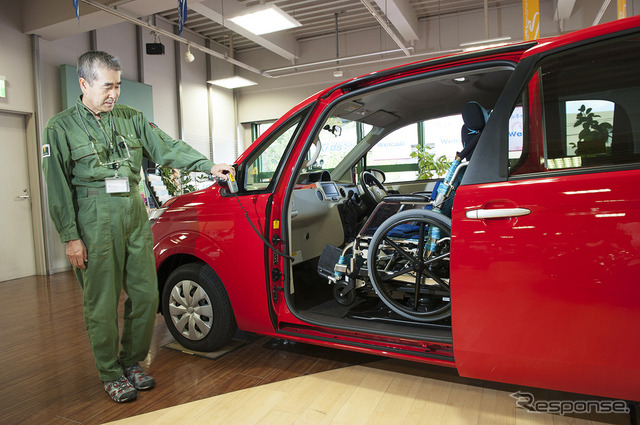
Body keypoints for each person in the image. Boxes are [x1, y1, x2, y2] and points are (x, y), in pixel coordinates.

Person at [42, 51, 235, 403]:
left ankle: (131, 361)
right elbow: (56, 186)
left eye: (117, 86)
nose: (114, 94)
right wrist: (70, 237)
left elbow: (166, 148)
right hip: (92, 216)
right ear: (84, 84)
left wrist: (208, 165)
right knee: (101, 303)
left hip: (134, 211)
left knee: (146, 294)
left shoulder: (131, 118)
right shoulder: (60, 127)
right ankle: (109, 371)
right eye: (107, 86)